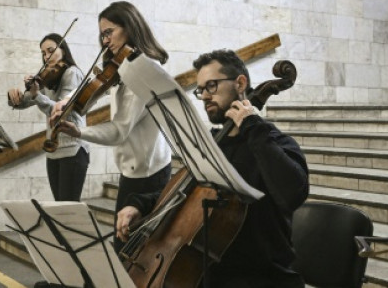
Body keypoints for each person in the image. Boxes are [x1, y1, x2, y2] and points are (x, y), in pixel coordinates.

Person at [115, 49, 310, 287]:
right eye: (201, 90)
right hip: (208, 273)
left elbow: (293, 194)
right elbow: (181, 191)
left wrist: (252, 125)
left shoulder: (272, 142)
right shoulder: (211, 143)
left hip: (259, 277)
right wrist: (139, 204)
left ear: (240, 83)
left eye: (212, 86)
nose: (205, 96)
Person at [50, 1, 172, 253]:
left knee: (133, 253)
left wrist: (79, 132)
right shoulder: (121, 66)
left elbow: (119, 131)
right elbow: (93, 84)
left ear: (129, 27)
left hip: (150, 176)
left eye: (109, 32)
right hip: (131, 173)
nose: (104, 40)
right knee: (122, 250)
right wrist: (65, 100)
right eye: (101, 34)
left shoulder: (144, 70)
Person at [8, 33, 89, 201]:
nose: (47, 57)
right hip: (54, 150)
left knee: (67, 210)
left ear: (63, 50)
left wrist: (37, 94)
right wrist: (14, 97)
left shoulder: (71, 73)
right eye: (44, 53)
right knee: (59, 207)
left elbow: (60, 110)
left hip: (72, 149)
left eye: (51, 51)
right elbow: (25, 101)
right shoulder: (49, 77)